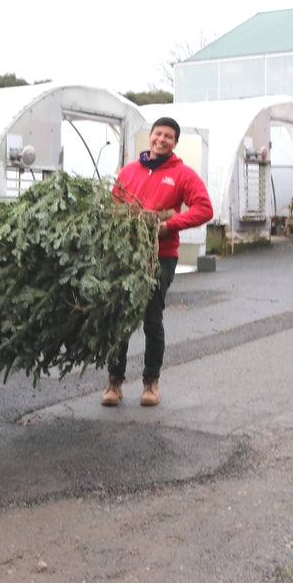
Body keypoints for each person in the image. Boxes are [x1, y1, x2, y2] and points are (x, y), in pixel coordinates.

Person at [102, 116, 213, 407]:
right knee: (121, 318)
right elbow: (114, 208)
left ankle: (151, 383)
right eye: (158, 134)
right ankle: (114, 382)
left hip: (161, 255)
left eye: (168, 137)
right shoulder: (128, 171)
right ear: (149, 137)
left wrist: (170, 225)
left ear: (175, 143)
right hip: (126, 254)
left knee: (152, 318)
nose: (161, 140)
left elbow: (204, 209)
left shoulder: (182, 175)